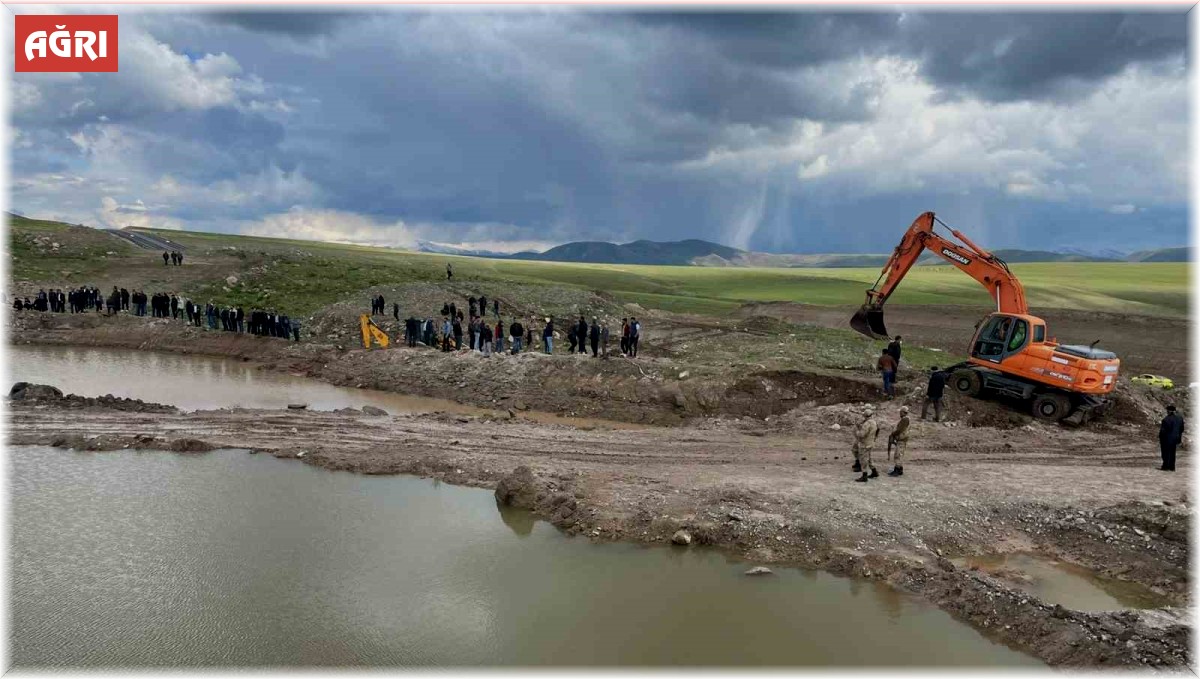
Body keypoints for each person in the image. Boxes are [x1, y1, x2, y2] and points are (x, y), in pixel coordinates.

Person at [853, 404, 880, 482]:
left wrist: (857, 430)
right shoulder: (874, 422)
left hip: (864, 443)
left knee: (863, 459)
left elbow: (862, 434)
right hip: (870, 442)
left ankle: (864, 475)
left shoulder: (867, 423)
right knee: (869, 458)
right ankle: (874, 471)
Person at [1159, 405, 1185, 472]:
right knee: (1173, 453)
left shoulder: (1166, 419)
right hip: (1175, 439)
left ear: (1169, 411)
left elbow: (1163, 431)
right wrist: (1178, 437)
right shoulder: (1180, 418)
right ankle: (1172, 467)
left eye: (1167, 411)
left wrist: (1160, 438)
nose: (1166, 412)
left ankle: (1165, 466)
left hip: (1167, 438)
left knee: (1165, 453)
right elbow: (1182, 429)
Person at [887, 406, 911, 477]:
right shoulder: (906, 419)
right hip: (902, 439)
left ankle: (897, 470)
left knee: (898, 455)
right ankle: (900, 469)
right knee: (900, 454)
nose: (900, 413)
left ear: (903, 412)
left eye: (900, 412)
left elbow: (899, 430)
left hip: (901, 439)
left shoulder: (905, 419)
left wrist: (893, 434)